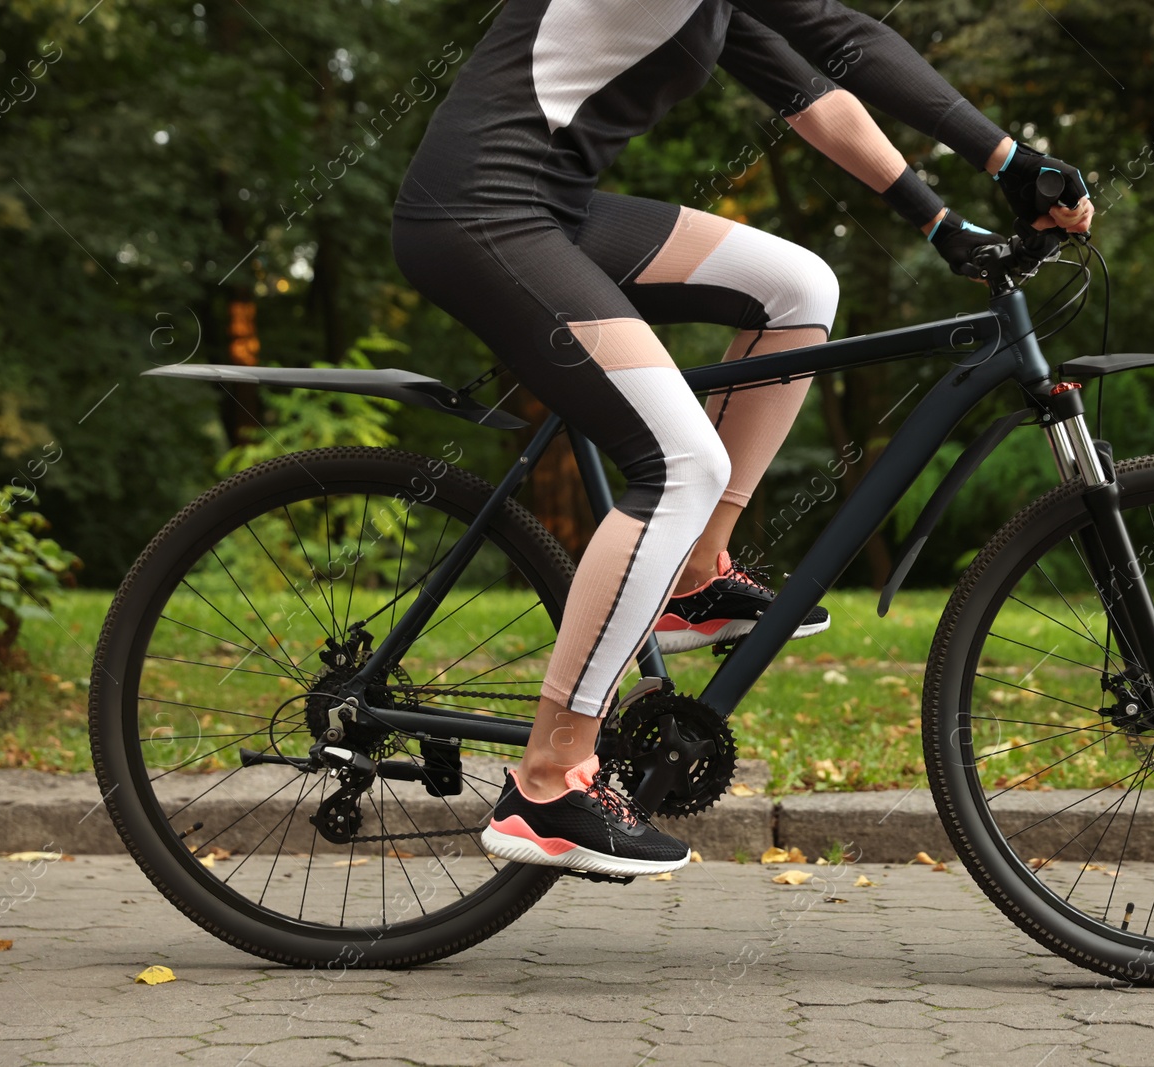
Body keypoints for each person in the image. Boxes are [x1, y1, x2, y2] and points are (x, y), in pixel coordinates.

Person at [391, 0, 1094, 877]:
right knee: (682, 462)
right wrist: (1010, 155)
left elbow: (815, 93)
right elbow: (847, 35)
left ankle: (696, 576)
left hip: (553, 208)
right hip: (481, 215)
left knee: (796, 288)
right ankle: (546, 782)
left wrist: (940, 223)